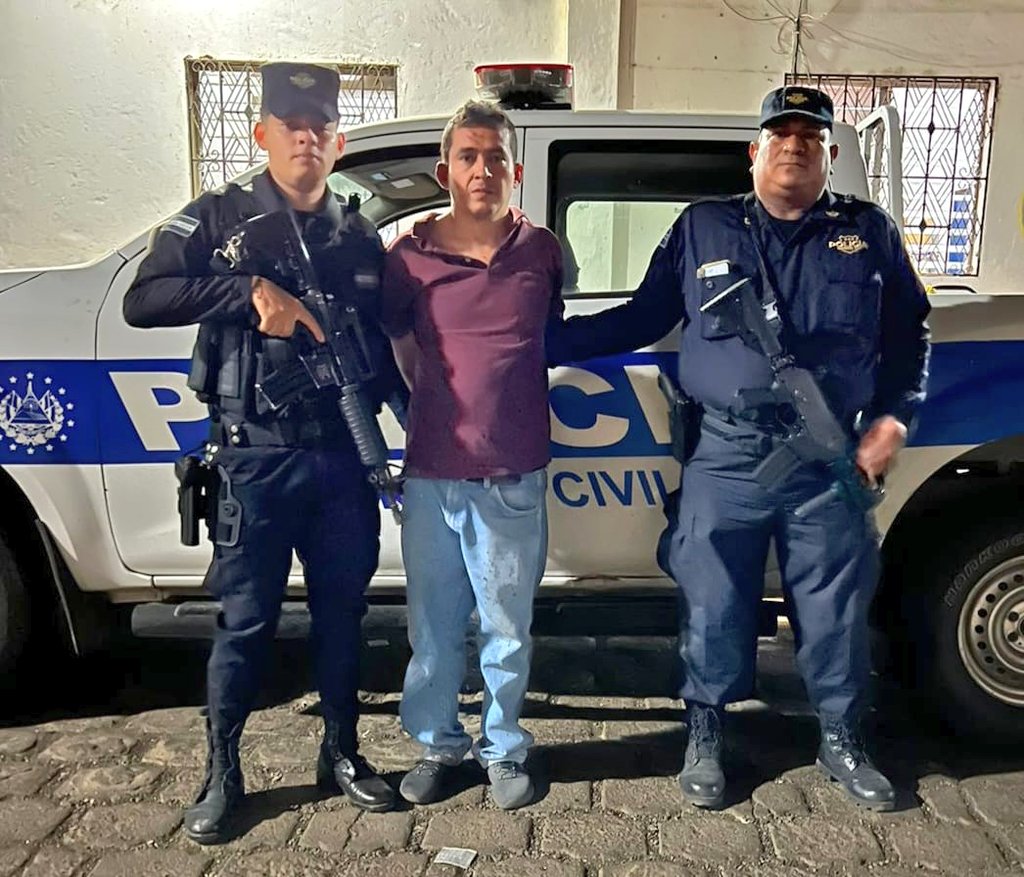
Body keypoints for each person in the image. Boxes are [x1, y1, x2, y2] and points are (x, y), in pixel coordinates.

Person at [546, 85, 930, 811]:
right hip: (725, 453)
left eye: (810, 137)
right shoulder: (704, 227)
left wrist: (894, 420)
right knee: (713, 599)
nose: (795, 146)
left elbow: (910, 334)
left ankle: (842, 738)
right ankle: (706, 732)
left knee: (835, 607)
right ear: (754, 151)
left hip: (829, 459)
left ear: (829, 154)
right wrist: (537, 342)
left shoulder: (867, 232)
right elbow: (642, 317)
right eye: (781, 135)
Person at [123, 62, 403, 843]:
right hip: (255, 458)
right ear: (263, 134)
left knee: (343, 615)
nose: (306, 138)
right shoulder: (218, 217)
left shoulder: (356, 234)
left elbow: (377, 344)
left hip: (340, 460)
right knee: (246, 622)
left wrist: (410, 428)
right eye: (291, 125)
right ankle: (222, 770)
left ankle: (341, 750)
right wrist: (246, 294)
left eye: (320, 127)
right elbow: (142, 298)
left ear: (336, 141)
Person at [381, 100, 563, 810]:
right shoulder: (407, 257)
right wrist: (436, 409)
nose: (482, 169)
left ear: (515, 170)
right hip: (432, 475)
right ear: (445, 171)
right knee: (431, 629)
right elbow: (401, 348)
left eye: (495, 157)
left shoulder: (542, 250)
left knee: (507, 628)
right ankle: (437, 744)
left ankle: (505, 748)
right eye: (467, 156)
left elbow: (549, 334)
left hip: (513, 474)